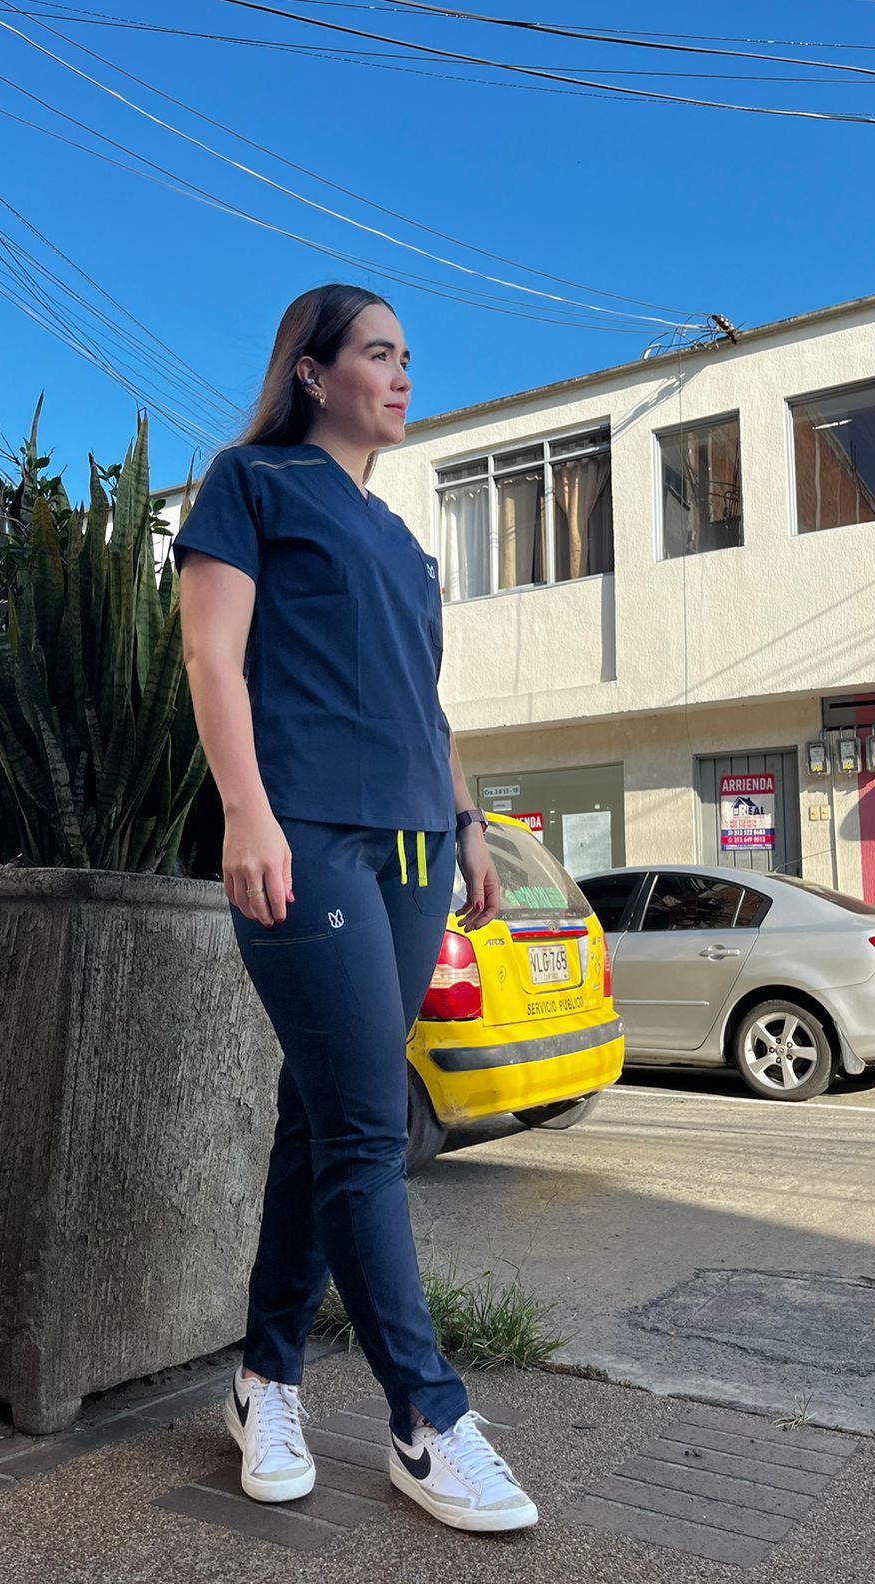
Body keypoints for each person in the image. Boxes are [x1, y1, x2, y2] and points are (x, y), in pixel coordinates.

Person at [172, 284, 538, 1534]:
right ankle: (426, 1416)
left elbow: (422, 704)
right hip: (304, 836)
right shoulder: (252, 484)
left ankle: (264, 1377)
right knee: (372, 1127)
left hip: (413, 851)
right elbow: (212, 658)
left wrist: (471, 823)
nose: (402, 373)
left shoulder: (405, 545)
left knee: (320, 1122)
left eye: (407, 356)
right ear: (315, 372)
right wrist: (246, 811)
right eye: (379, 352)